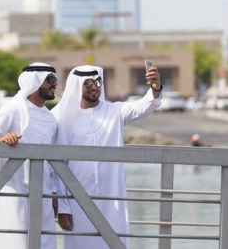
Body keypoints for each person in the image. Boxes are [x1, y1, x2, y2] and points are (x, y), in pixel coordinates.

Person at [52, 63, 162, 249]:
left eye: (98, 81)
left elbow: (145, 105)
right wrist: (62, 208)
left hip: (112, 196)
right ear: (77, 86)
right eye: (88, 83)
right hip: (77, 200)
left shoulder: (115, 111)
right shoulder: (62, 117)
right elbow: (56, 167)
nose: (94, 86)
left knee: (114, 241)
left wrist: (155, 87)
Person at [0, 62, 59, 249]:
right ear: (35, 81)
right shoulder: (12, 109)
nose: (55, 84)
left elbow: (53, 164)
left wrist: (55, 194)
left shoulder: (52, 120)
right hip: (12, 193)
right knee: (13, 243)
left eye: (56, 80)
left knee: (43, 243)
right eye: (50, 80)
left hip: (43, 194)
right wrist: (0, 140)